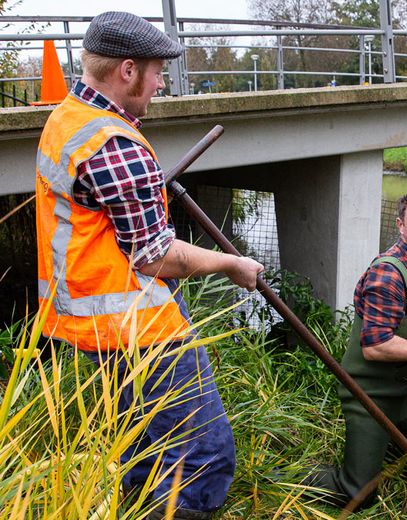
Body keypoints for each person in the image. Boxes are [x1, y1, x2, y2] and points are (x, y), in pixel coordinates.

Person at [34, 11, 263, 519]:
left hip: (91, 324)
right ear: (128, 70)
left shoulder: (66, 117)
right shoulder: (115, 143)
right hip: (139, 329)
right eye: (159, 71)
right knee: (205, 456)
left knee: (146, 446)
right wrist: (232, 264)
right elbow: (157, 255)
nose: (162, 83)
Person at [303, 191, 407, 510]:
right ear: (400, 225)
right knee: (358, 495)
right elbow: (376, 348)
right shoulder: (388, 273)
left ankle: (375, 460)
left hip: (404, 392)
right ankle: (287, 477)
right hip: (369, 394)